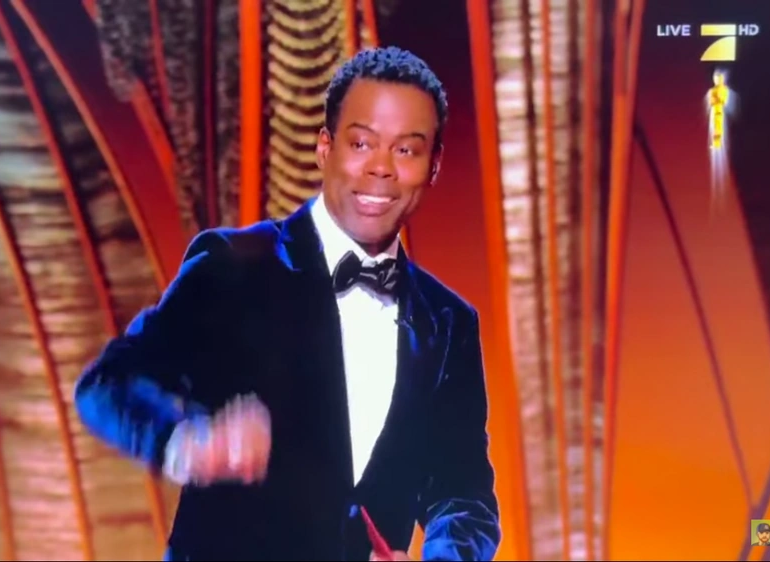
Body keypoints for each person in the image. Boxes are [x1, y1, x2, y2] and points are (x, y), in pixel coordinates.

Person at [75, 46, 501, 561]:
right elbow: (108, 383)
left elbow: (464, 493)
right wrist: (186, 442)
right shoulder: (235, 266)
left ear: (433, 166)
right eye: (361, 143)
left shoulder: (449, 322)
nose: (381, 168)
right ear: (325, 147)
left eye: (407, 150)